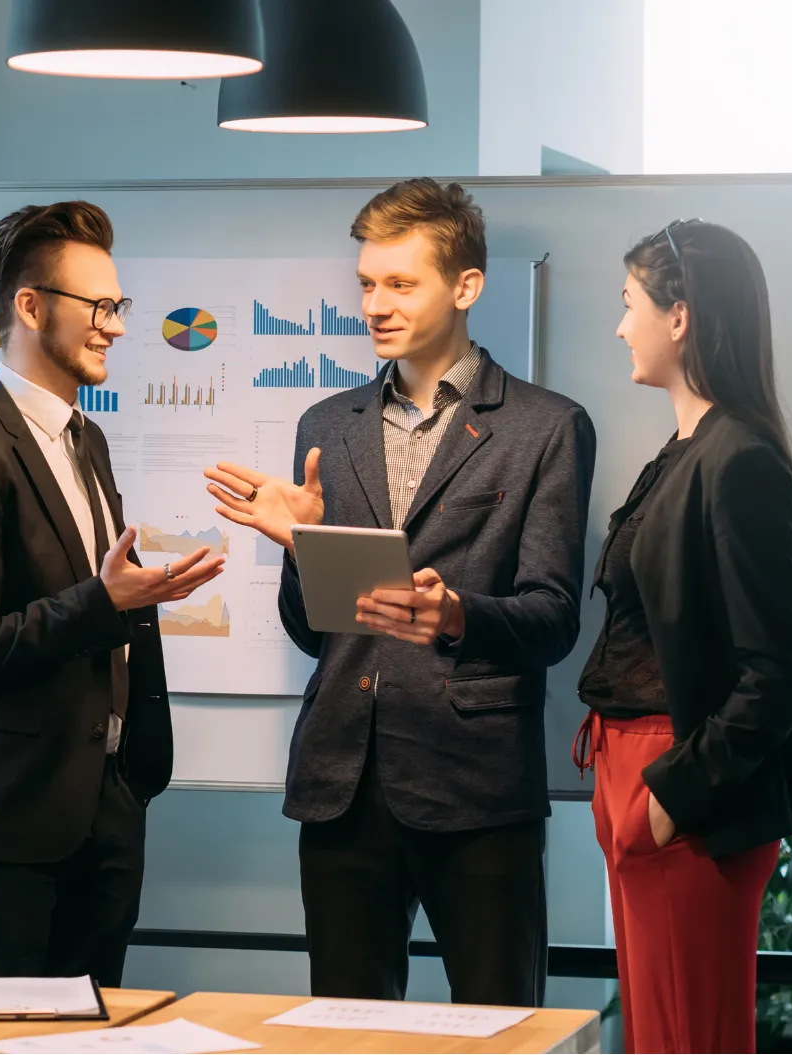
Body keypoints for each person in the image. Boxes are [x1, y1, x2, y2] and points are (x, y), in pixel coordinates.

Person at [205, 178, 596, 1005]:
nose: (374, 304)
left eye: (399, 283)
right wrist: (299, 546)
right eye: (365, 284)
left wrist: (453, 613)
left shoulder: (545, 426)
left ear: (465, 287)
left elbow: (554, 616)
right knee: (346, 1027)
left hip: (477, 783)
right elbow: (314, 634)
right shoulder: (326, 424)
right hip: (342, 778)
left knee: (498, 1026)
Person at [0, 201, 224, 983]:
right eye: (101, 307)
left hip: (102, 816)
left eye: (119, 307)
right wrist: (102, 601)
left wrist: (137, 593)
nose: (116, 326)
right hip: (1, 832)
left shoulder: (86, 438)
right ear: (29, 306)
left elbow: (93, 599)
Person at [574, 219, 792, 1053]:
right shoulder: (686, 448)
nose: (618, 324)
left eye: (628, 303)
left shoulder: (738, 457)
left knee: (689, 1038)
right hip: (632, 763)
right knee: (655, 1036)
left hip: (681, 781)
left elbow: (779, 668)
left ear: (679, 316)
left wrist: (675, 795)